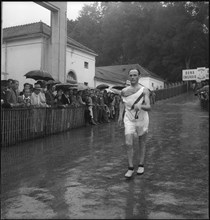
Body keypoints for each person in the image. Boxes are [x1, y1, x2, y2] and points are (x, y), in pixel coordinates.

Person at [114, 68, 151, 179]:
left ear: (139, 76)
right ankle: (130, 167)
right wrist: (120, 115)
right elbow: (122, 102)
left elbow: (149, 107)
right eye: (131, 75)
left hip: (142, 119)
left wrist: (141, 106)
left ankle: (141, 165)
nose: (132, 77)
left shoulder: (145, 90)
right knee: (128, 143)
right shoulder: (124, 91)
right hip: (129, 118)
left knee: (142, 142)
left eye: (135, 75)